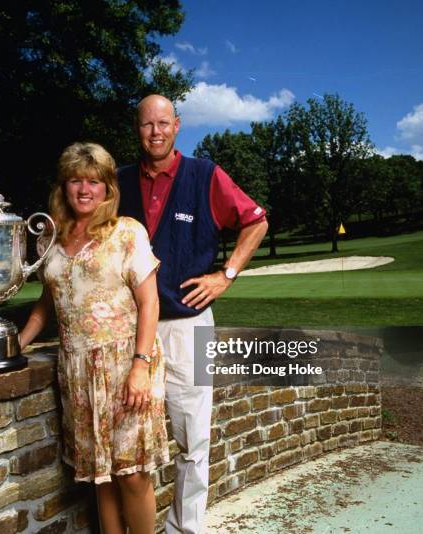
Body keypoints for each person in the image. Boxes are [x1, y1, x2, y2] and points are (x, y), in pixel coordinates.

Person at [118, 95, 269, 534]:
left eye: (164, 123)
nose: (156, 132)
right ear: (137, 129)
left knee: (192, 441)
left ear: (178, 125)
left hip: (187, 325)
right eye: (147, 124)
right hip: (128, 334)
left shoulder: (204, 174)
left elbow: (256, 221)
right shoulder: (119, 181)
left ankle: (184, 529)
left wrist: (226, 274)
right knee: (126, 444)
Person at [19, 142, 169, 534]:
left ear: (107, 189)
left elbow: (150, 303)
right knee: (101, 476)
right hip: (78, 371)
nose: (84, 190)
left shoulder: (126, 233)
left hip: (127, 365)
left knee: (132, 473)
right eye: (75, 181)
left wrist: (141, 366)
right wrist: (15, 343)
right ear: (63, 187)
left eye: (94, 182)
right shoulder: (47, 241)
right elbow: (47, 303)